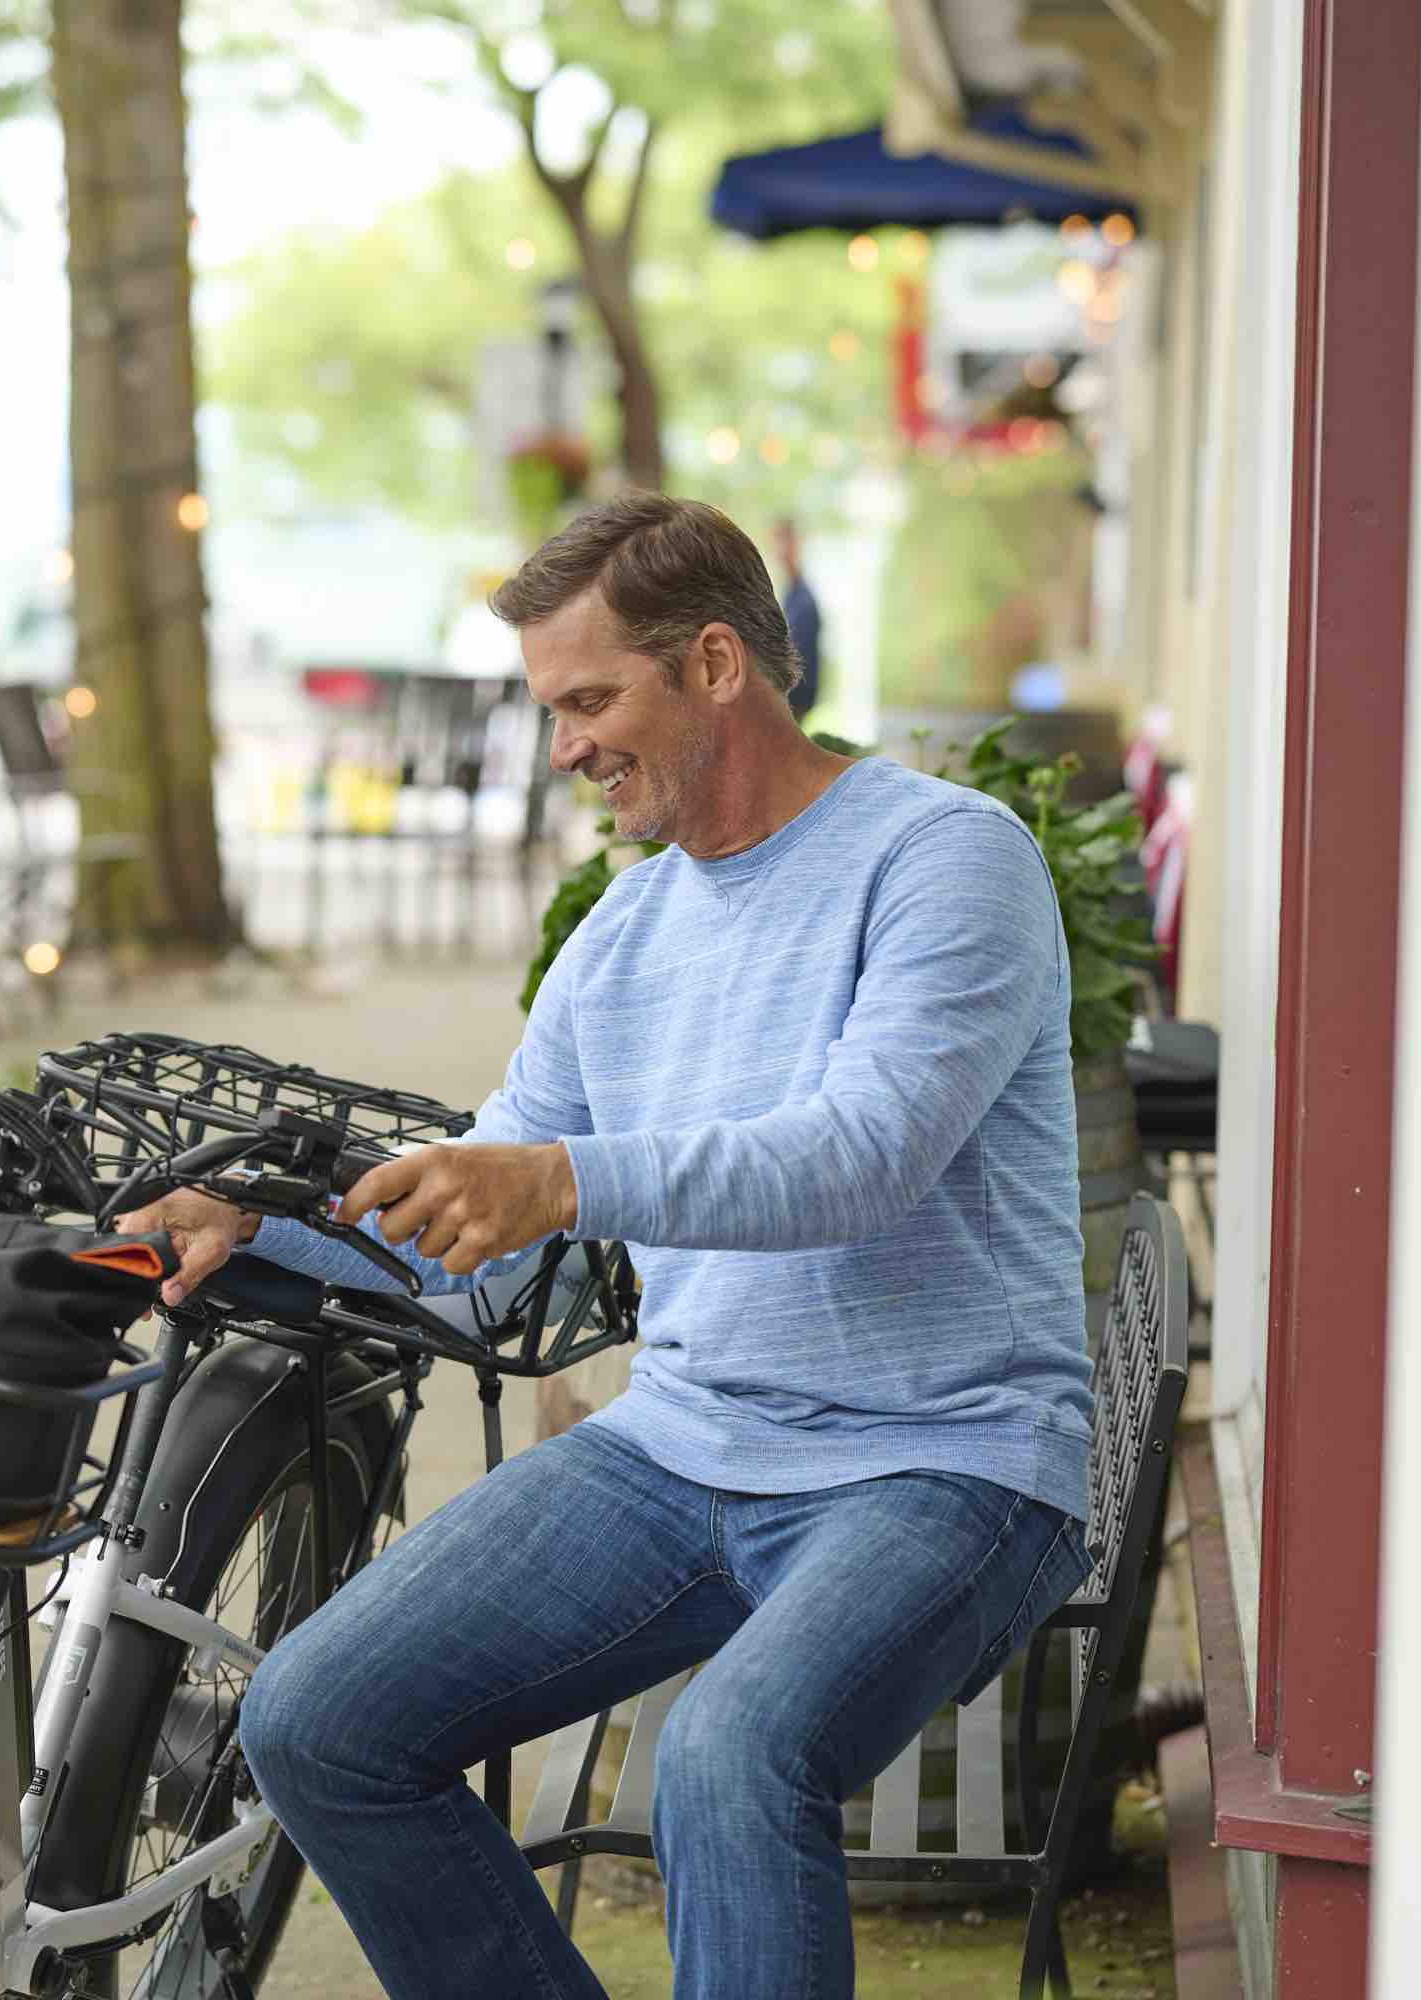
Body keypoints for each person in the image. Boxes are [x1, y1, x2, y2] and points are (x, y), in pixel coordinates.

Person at [117, 492, 1093, 2000]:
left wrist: (560, 1179)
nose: (563, 746)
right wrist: (263, 1233)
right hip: (687, 1448)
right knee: (317, 1718)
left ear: (715, 665)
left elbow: (865, 1157)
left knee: (730, 1750)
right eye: (550, 709)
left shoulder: (948, 861)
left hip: (945, 1460)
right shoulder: (624, 937)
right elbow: (481, 1246)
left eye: (589, 700)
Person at [774, 515, 824, 721]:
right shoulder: (790, 593)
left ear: (796, 545)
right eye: (777, 542)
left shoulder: (804, 599)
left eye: (784, 541)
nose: (780, 550)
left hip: (797, 695)